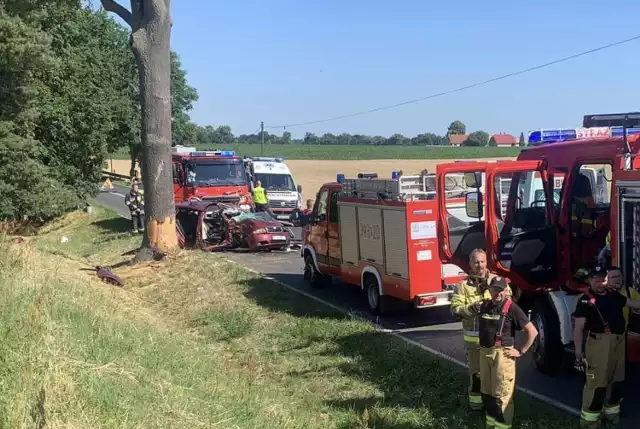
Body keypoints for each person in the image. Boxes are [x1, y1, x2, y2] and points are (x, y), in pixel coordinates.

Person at [573, 265, 640, 428]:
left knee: (616, 382)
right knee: (597, 386)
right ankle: (590, 423)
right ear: (590, 281)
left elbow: (634, 304)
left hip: (618, 343)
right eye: (596, 280)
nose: (600, 283)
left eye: (603, 279)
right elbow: (578, 328)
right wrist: (578, 354)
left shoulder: (613, 295)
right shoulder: (585, 300)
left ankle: (611, 417)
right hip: (599, 345)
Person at [451, 249, 509, 411]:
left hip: (495, 340)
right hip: (474, 341)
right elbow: (455, 309)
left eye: (482, 261)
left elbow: (509, 303)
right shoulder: (462, 286)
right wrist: (473, 308)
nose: (480, 265)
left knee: (497, 376)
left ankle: (497, 408)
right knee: (477, 375)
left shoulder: (497, 281)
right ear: (470, 264)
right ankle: (476, 406)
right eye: (476, 262)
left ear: (486, 262)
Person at [479, 276, 538, 429]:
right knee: (487, 393)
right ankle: (491, 424)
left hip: (502, 357)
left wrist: (520, 351)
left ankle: (503, 426)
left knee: (502, 396)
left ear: (506, 290)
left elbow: (532, 332)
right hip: (485, 354)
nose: (497, 292)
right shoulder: (485, 306)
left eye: (500, 289)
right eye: (494, 289)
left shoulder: (512, 308)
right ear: (490, 290)